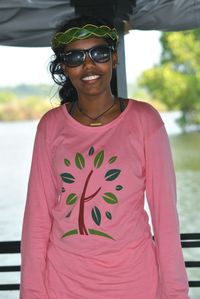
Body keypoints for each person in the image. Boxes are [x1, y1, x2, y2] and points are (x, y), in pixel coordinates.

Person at [20, 15, 190, 299]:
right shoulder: (50, 126)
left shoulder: (145, 121)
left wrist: (175, 293)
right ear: (64, 67)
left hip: (135, 284)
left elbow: (166, 220)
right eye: (75, 57)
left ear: (114, 59)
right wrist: (32, 293)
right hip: (62, 285)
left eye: (98, 53)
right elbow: (36, 222)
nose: (88, 65)